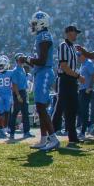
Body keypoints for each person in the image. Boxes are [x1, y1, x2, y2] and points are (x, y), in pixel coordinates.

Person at [54, 25, 91, 147]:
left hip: (71, 80)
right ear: (69, 33)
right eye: (75, 33)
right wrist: (78, 76)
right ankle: (50, 133)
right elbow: (64, 66)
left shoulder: (72, 47)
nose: (76, 35)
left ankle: (73, 137)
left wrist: (76, 77)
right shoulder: (63, 46)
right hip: (65, 79)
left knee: (72, 108)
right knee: (60, 107)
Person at [27, 11, 58, 151]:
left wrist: (27, 59)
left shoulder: (44, 36)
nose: (33, 26)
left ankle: (53, 138)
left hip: (44, 72)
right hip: (40, 72)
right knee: (40, 108)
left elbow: (42, 60)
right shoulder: (40, 36)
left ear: (41, 23)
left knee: (41, 106)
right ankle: (44, 138)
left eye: (34, 24)